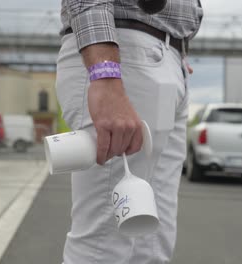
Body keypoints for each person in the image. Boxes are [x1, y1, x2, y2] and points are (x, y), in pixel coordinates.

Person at [56, 0, 203, 263]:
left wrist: (174, 52)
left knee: (153, 245)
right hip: (122, 55)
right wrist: (105, 73)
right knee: (102, 247)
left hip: (166, 57)